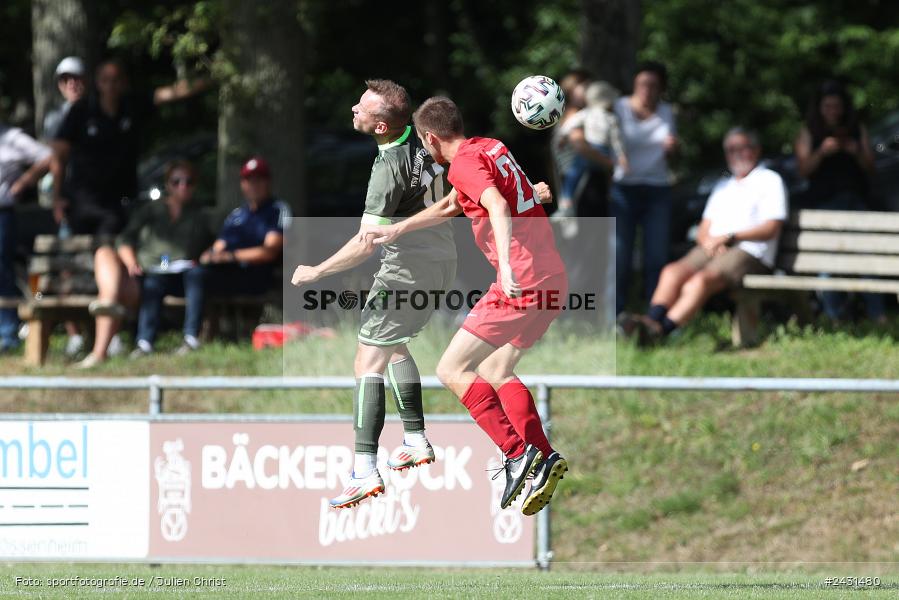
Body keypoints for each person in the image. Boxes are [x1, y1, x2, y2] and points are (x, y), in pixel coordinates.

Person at [364, 96, 567, 517]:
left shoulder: (463, 165)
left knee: (451, 369)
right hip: (551, 278)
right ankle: (543, 456)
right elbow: (455, 204)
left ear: (431, 138)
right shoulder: (490, 147)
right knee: (496, 369)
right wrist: (399, 228)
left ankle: (516, 454)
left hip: (521, 280)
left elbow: (496, 203)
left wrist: (506, 267)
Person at [290, 80, 457, 510]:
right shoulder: (425, 138)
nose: (353, 108)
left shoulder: (388, 169)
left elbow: (367, 243)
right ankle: (415, 438)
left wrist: (317, 271)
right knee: (393, 344)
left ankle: (364, 470)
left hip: (407, 270)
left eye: (361, 107)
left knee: (367, 361)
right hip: (443, 262)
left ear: (381, 126)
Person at [620, 128, 787, 344]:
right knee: (672, 271)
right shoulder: (724, 185)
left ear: (755, 150)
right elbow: (703, 228)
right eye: (730, 150)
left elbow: (771, 228)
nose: (736, 154)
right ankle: (650, 322)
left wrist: (730, 237)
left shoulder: (770, 181)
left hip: (751, 251)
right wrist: (709, 243)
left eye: (742, 148)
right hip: (713, 247)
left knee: (700, 281)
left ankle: (659, 332)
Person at [76, 160, 211, 367]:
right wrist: (131, 262)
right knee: (140, 278)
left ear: (195, 185)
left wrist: (211, 253)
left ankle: (189, 338)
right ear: (167, 184)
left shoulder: (200, 215)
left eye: (188, 181)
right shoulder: (151, 210)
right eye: (176, 181)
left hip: (181, 274)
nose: (183, 186)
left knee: (189, 276)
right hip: (148, 272)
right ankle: (137, 337)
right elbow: (125, 239)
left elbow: (217, 240)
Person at [795, 80, 883, 322]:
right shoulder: (809, 132)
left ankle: (877, 313)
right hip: (825, 204)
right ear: (819, 108)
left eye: (837, 106)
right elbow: (803, 170)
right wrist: (822, 152)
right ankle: (834, 314)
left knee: (867, 255)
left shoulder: (856, 129)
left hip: (855, 201)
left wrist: (856, 151)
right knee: (829, 260)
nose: (833, 111)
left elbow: (871, 168)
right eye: (828, 106)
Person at [611, 61, 678, 316]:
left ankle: (654, 316)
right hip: (624, 190)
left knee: (656, 256)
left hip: (657, 189)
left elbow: (673, 154)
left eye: (653, 85)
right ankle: (615, 313)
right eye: (642, 84)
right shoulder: (619, 108)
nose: (646, 90)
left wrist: (673, 148)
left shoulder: (667, 112)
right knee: (620, 255)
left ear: (661, 88)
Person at [41, 56, 93, 358]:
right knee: (66, 267)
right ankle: (74, 334)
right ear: (59, 85)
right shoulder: (54, 119)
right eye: (65, 79)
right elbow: (55, 161)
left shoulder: (98, 113)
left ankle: (104, 331)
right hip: (69, 203)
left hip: (97, 203)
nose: (72, 84)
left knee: (100, 265)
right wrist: (57, 198)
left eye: (77, 78)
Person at [200, 156, 289, 296]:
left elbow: (269, 252)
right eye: (249, 180)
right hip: (228, 272)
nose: (254, 185)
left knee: (199, 279)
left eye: (259, 180)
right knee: (193, 275)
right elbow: (218, 247)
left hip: (259, 276)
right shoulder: (236, 215)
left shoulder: (278, 210)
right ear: (242, 184)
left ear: (268, 182)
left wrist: (232, 256)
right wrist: (209, 256)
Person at [0, 123, 51, 352]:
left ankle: (8, 333)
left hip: (2, 213)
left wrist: (24, 181)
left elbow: (47, 155)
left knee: (2, 271)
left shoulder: (10, 137)